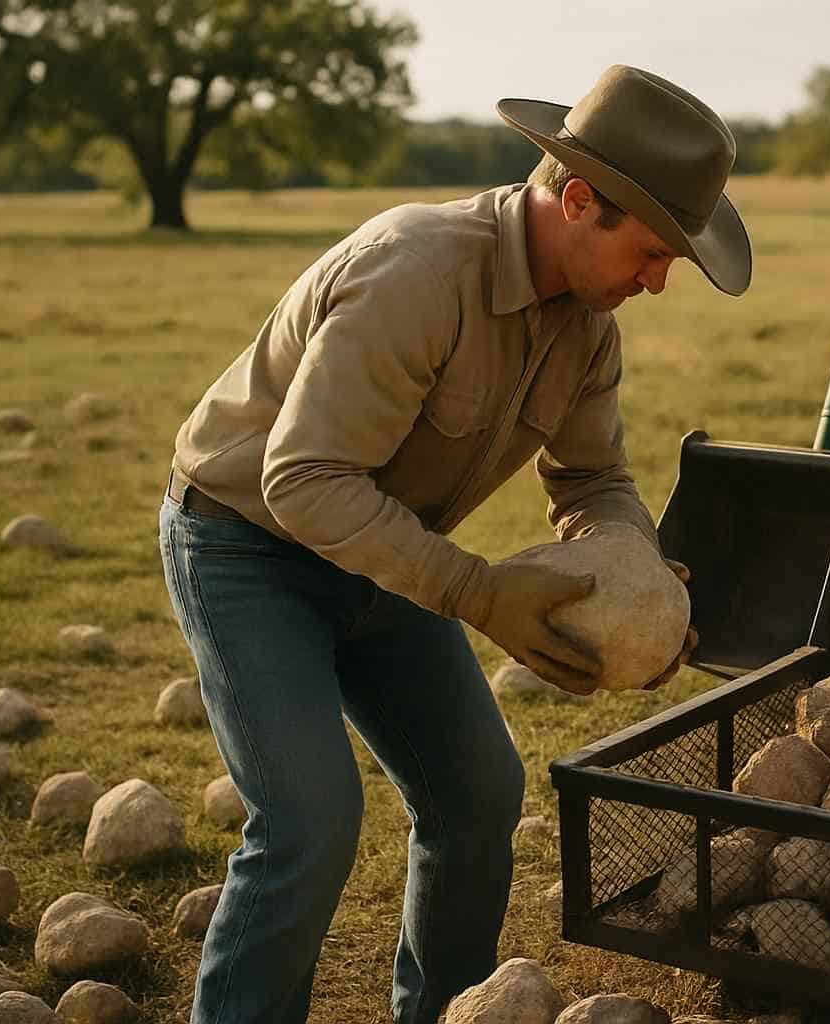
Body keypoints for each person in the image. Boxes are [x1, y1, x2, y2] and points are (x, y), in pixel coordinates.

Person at [157, 64, 751, 1024]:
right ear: (576, 199)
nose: (658, 280)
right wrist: (477, 592)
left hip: (391, 548)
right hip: (248, 548)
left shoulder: (590, 328)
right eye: (652, 252)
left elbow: (593, 482)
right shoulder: (419, 270)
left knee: (477, 796)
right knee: (308, 821)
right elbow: (303, 481)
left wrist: (638, 578)